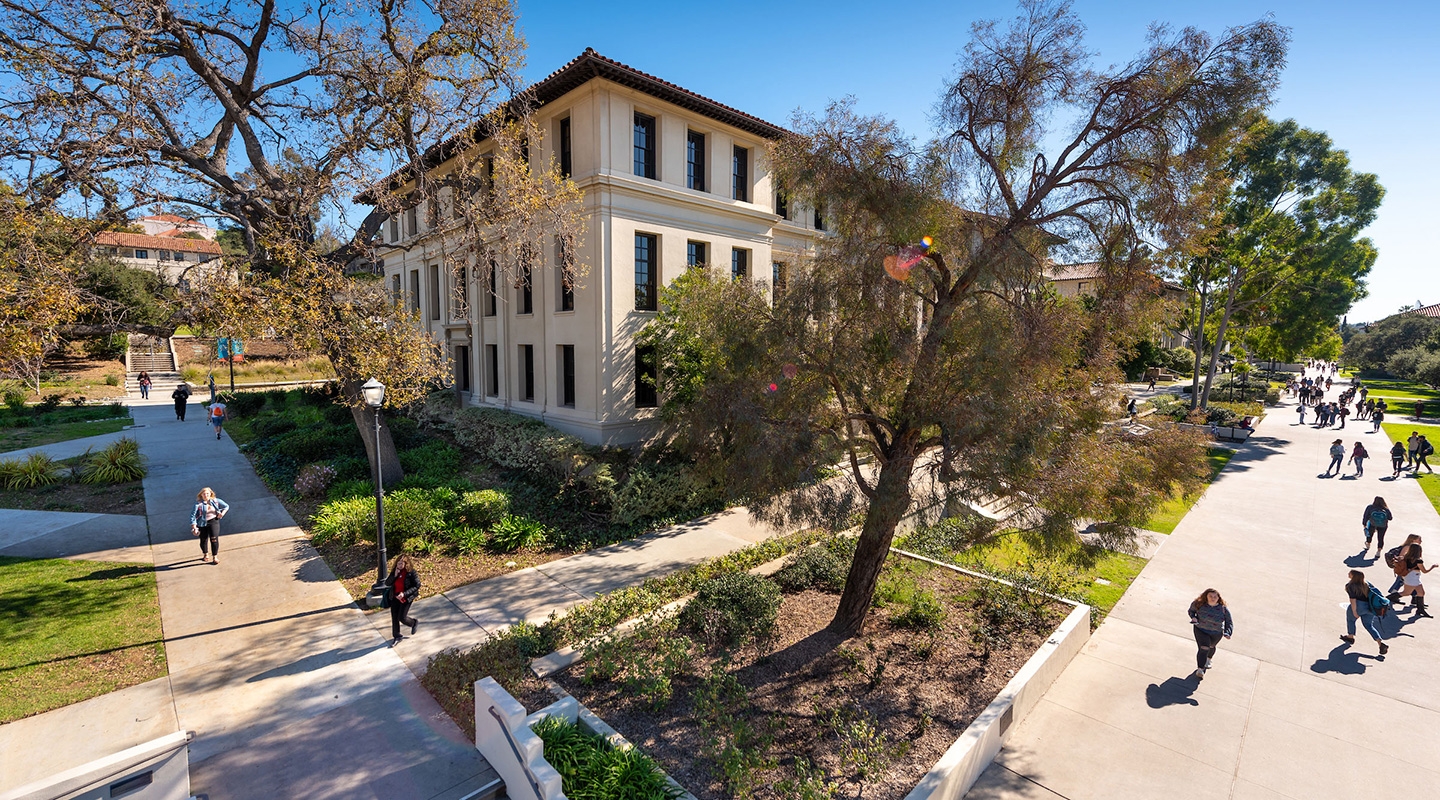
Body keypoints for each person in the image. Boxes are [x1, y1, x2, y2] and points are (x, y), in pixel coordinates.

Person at [1187, 588, 1232, 681]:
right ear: (1206, 597)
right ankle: (1200, 669)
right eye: (1210, 596)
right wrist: (1193, 617)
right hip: (1201, 630)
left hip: (1216, 632)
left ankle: (1209, 658)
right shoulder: (1198, 604)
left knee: (1211, 646)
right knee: (1204, 647)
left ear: (1218, 598)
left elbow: (1229, 621)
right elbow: (1191, 611)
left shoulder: (1223, 609)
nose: (1213, 598)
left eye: (1215, 597)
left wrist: (1228, 632)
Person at [1340, 570, 1388, 655]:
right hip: (1370, 607)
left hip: (1359, 606)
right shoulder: (1367, 584)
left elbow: (1353, 600)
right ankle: (1380, 643)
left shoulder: (1350, 586)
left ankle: (1350, 636)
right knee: (1369, 626)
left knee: (1351, 620)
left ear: (1353, 576)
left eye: (1350, 573)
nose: (1348, 574)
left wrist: (1355, 611)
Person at [385, 554, 421, 645]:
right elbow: (387, 583)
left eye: (401, 564)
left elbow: (417, 585)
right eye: (398, 563)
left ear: (406, 564)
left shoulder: (411, 572)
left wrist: (404, 594)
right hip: (395, 597)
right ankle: (397, 636)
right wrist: (394, 575)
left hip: (406, 597)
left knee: (402, 617)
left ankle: (413, 623)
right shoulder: (395, 571)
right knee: (394, 617)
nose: (399, 565)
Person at [190, 487, 229, 564]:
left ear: (210, 494)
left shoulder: (215, 501)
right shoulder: (198, 504)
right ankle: (205, 554)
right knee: (203, 540)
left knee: (214, 539)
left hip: (214, 521)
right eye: (204, 494)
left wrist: (222, 513)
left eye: (207, 493)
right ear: (201, 495)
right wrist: (194, 527)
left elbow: (226, 506)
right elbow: (192, 516)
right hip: (202, 523)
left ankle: (215, 556)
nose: (206, 495)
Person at [1395, 551, 1433, 619]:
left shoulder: (1406, 558)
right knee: (1406, 593)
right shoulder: (1418, 561)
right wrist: (1433, 567)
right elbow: (1424, 571)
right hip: (1413, 578)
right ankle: (1387, 599)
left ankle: (1420, 610)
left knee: (1421, 592)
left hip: (1410, 577)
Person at [1386, 536, 1422, 601]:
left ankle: (1415, 598)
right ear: (1413, 540)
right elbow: (1401, 557)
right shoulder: (1408, 547)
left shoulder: (1411, 547)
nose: (1421, 541)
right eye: (1419, 539)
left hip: (1408, 569)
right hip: (1405, 568)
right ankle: (1392, 595)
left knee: (1412, 584)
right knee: (1400, 582)